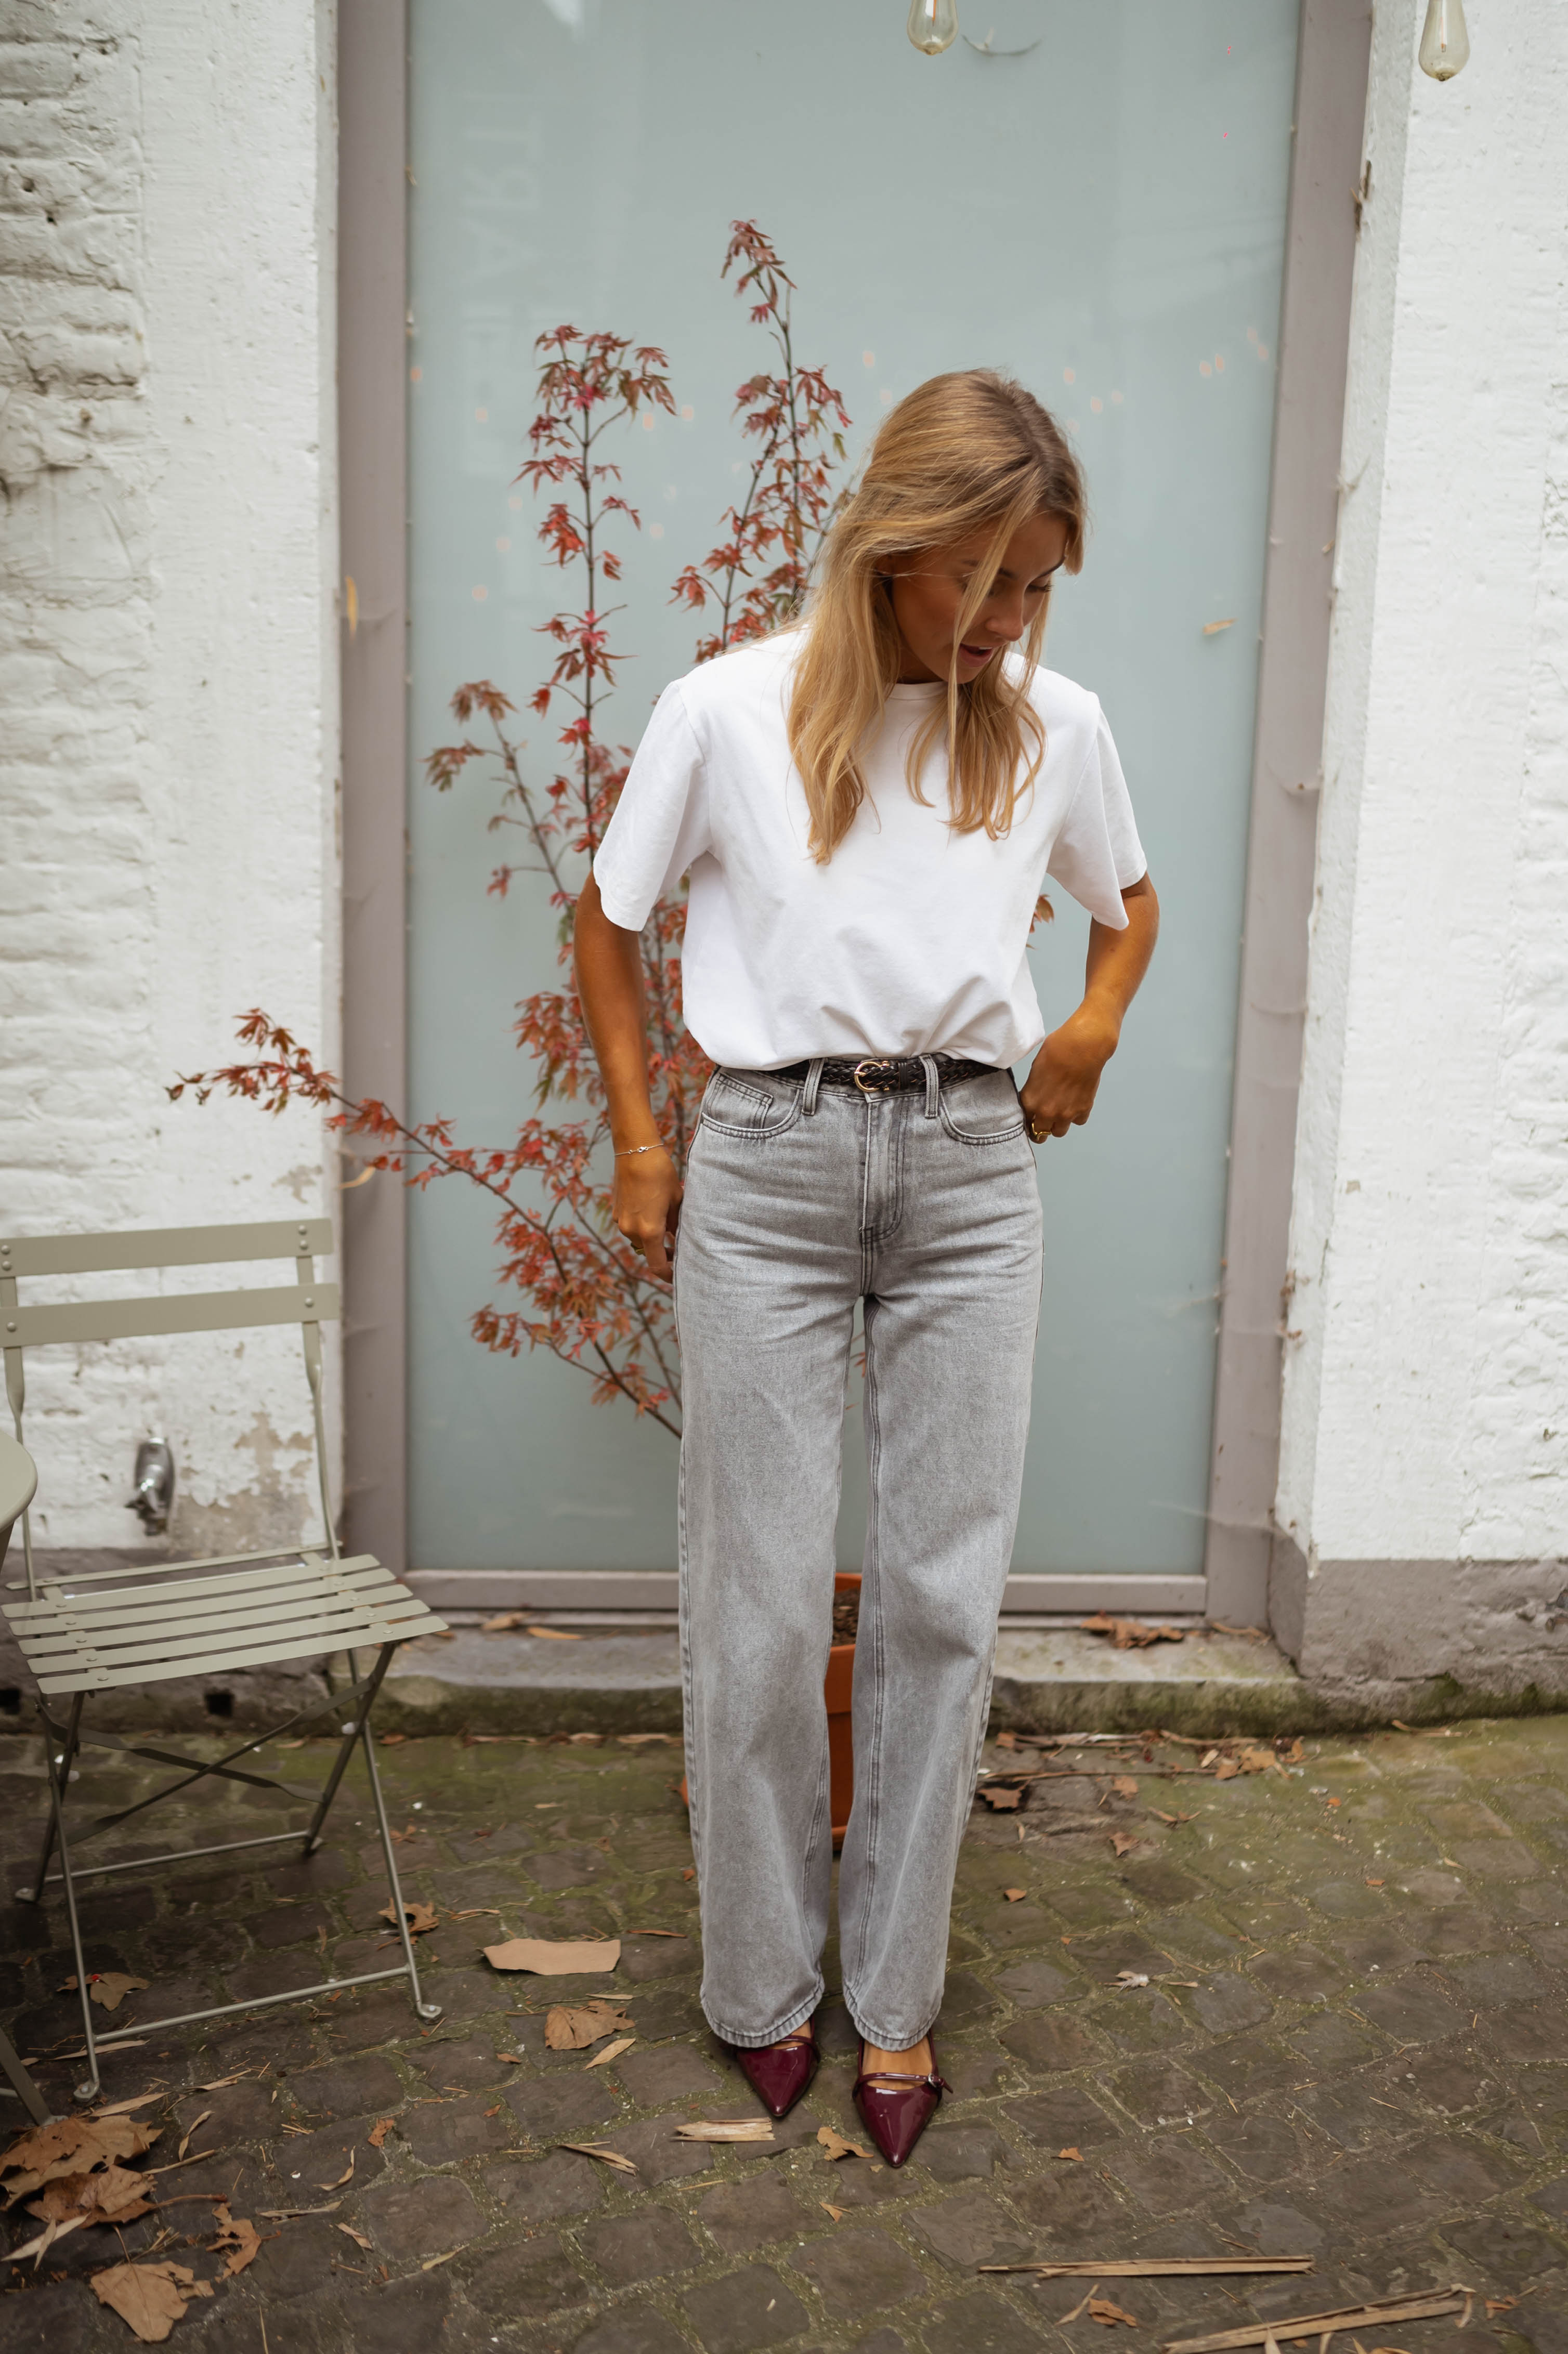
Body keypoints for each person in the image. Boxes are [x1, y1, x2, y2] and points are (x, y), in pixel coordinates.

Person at [574, 369, 1157, 2166]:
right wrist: (645, 1142)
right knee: (756, 1607)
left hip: (978, 1169)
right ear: (891, 549)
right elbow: (608, 919)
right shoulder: (729, 710)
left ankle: (891, 1999)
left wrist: (1090, 1032)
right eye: (977, 583)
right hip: (767, 1160)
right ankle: (761, 1990)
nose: (1004, 625)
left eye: (1036, 587)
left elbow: (1127, 904)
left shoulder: (1054, 722)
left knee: (938, 1600)